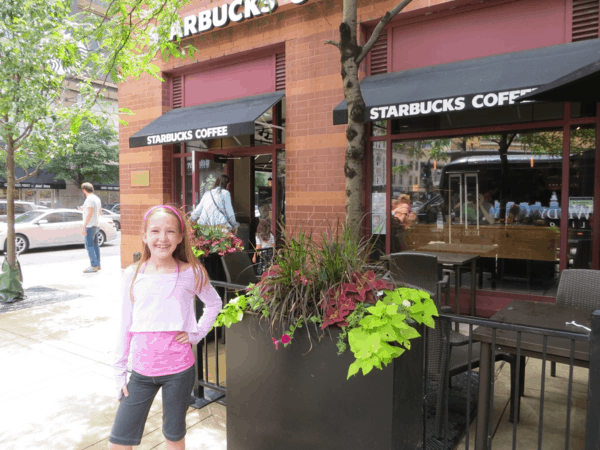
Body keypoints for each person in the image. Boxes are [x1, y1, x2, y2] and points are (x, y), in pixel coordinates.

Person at [109, 205, 222, 450]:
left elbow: (214, 303)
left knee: (174, 435)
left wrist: (197, 333)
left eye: (170, 231)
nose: (162, 238)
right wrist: (119, 372)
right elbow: (124, 323)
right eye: (155, 231)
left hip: (179, 372)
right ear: (144, 235)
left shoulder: (192, 272)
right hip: (140, 372)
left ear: (180, 237)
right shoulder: (133, 274)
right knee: (119, 441)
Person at [80, 182, 102, 273]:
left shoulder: (89, 199)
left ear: (84, 190)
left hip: (90, 226)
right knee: (95, 246)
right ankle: (98, 264)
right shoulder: (96, 198)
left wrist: (84, 226)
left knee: (89, 246)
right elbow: (100, 211)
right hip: (96, 225)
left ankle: (93, 266)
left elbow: (89, 213)